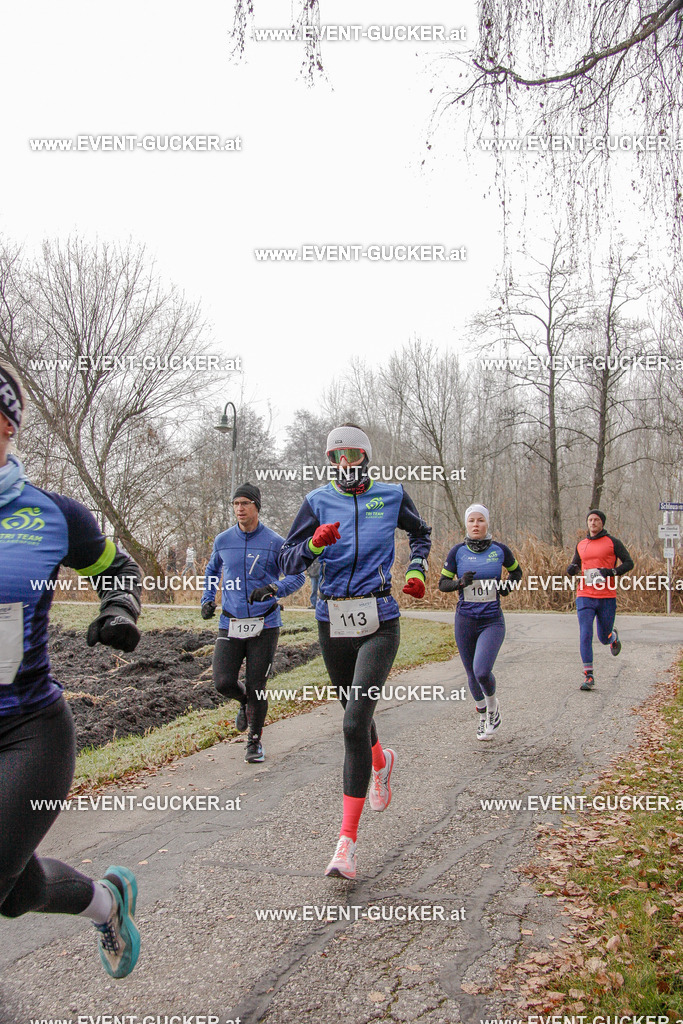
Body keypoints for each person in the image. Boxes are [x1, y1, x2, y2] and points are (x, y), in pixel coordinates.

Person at [0, 362, 142, 979]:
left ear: (7, 431)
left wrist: (118, 608)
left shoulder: (51, 515)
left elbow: (120, 569)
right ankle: (106, 901)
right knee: (10, 893)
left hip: (29, 732)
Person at [279, 424, 431, 879]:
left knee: (351, 725)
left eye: (352, 454)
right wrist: (312, 545)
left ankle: (346, 844)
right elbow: (287, 561)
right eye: (335, 456)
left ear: (365, 457)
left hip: (379, 620)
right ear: (329, 461)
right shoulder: (316, 501)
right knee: (356, 712)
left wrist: (418, 568)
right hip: (332, 620)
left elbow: (421, 533)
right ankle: (382, 760)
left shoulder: (391, 495)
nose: (344, 463)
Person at [201, 482, 305, 763]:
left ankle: (254, 742)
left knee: (258, 683)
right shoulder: (223, 540)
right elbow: (212, 571)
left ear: (257, 507)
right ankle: (244, 701)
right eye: (236, 504)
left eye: (245, 503)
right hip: (230, 621)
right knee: (223, 682)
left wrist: (273, 589)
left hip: (265, 623)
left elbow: (298, 576)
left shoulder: (275, 542)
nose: (240, 509)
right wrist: (207, 599)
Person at [439, 504, 522, 741]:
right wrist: (459, 583)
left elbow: (517, 573)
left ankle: (493, 708)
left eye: (480, 520)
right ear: (466, 524)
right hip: (465, 619)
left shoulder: (500, 550)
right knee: (470, 673)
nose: (476, 525)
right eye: (472, 521)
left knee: (482, 671)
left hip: (491, 620)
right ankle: (483, 715)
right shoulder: (457, 552)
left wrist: (508, 586)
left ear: (487, 524)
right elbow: (442, 584)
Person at [566, 508, 634, 691]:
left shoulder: (612, 542)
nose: (593, 523)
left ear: (602, 523)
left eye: (596, 520)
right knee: (585, 634)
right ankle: (589, 675)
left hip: (606, 596)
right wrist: (571, 568)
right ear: (587, 523)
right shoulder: (581, 544)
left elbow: (629, 563)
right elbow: (576, 563)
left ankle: (613, 637)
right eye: (590, 520)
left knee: (603, 637)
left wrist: (611, 572)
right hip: (585, 595)